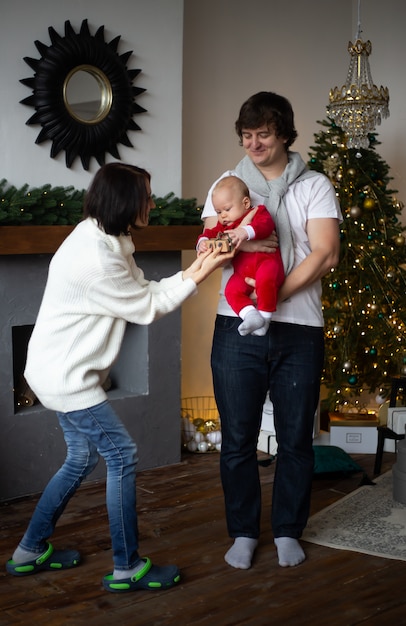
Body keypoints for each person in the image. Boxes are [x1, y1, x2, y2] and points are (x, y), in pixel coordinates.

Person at [5, 162, 234, 593]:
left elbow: (145, 292)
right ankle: (127, 566)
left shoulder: (107, 238)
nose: (151, 202)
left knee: (81, 458)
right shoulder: (96, 256)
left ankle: (29, 551)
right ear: (126, 200)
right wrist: (203, 270)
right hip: (67, 377)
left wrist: (201, 266)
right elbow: (146, 308)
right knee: (123, 456)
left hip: (54, 369)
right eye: (146, 196)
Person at [202, 92, 342, 570]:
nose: (254, 142)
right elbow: (213, 246)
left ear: (283, 133)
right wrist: (240, 251)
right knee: (237, 438)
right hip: (236, 326)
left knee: (296, 437)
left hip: (298, 327)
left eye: (263, 133)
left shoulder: (315, 186)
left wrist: (270, 299)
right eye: (246, 135)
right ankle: (242, 532)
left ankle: (287, 530)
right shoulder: (226, 186)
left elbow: (324, 254)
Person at [197, 175, 285, 336]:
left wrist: (243, 232)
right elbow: (210, 233)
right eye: (218, 212)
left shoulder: (258, 212)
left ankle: (265, 319)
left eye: (227, 209)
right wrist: (202, 242)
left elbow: (265, 226)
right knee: (231, 290)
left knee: (266, 278)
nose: (223, 216)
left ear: (245, 203)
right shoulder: (223, 226)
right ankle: (250, 315)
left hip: (266, 264)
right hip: (242, 274)